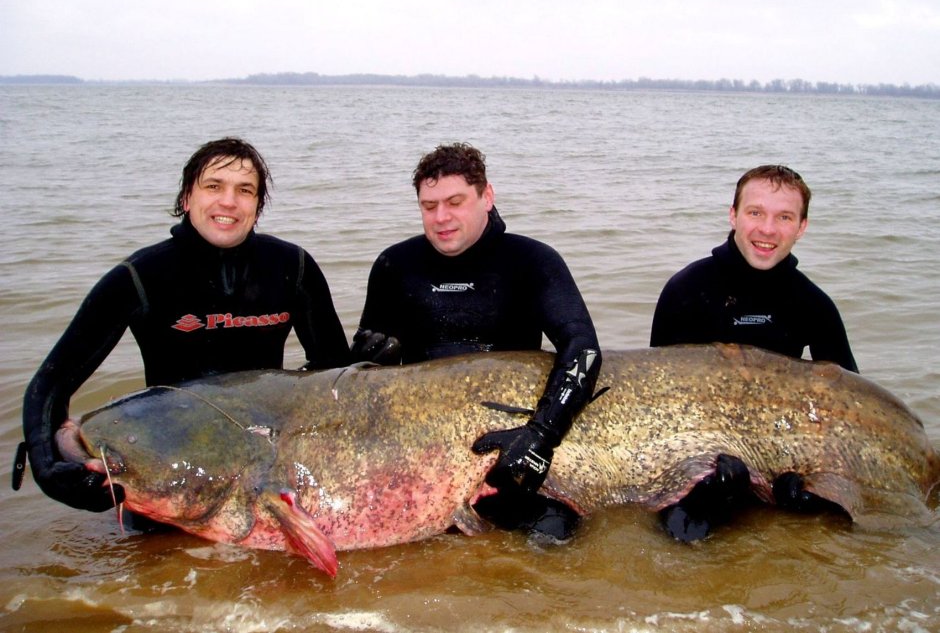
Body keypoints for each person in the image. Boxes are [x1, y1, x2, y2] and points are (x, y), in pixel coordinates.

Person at [20, 137, 351, 513]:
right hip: (173, 469)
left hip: (264, 472)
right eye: (214, 186)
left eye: (245, 190)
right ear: (186, 199)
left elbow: (334, 376)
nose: (228, 201)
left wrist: (371, 358)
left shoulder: (293, 267)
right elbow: (50, 385)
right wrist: (49, 469)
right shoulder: (140, 276)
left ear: (257, 207)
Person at [352, 142, 602, 539]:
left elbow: (583, 348)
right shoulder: (394, 266)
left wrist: (541, 435)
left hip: (507, 446)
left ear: (487, 196)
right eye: (428, 206)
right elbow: (366, 382)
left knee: (554, 538)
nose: (441, 217)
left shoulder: (532, 261)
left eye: (455, 201)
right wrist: (367, 360)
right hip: (423, 449)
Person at [649, 164, 857, 541]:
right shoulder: (685, 290)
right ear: (733, 215)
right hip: (699, 458)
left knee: (830, 537)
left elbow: (848, 407)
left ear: (802, 227)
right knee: (678, 542)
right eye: (755, 212)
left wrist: (811, 477)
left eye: (784, 217)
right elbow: (656, 401)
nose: (767, 229)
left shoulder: (814, 305)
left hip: (780, 455)